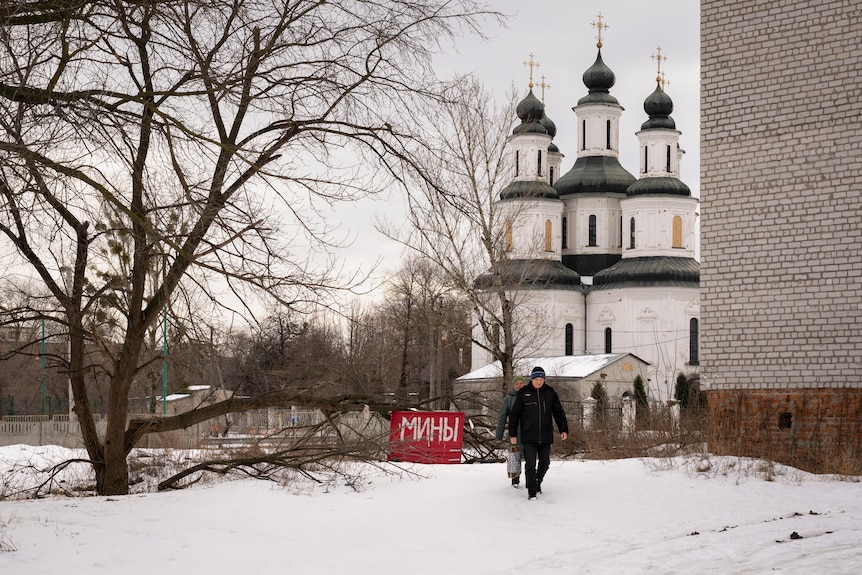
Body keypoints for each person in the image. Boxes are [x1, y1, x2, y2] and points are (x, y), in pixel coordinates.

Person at [508, 366, 569, 500]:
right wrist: (513, 434)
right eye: (536, 379)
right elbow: (514, 415)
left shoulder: (550, 393)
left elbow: (558, 412)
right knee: (530, 464)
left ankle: (537, 482)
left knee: (545, 462)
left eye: (541, 379)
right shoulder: (524, 393)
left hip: (546, 435)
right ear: (532, 379)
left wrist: (563, 429)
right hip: (528, 435)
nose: (539, 382)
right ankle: (532, 491)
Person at [495, 376, 527, 487]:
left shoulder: (529, 396)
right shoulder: (509, 398)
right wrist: (499, 433)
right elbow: (502, 416)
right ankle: (515, 480)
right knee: (515, 456)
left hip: (528, 432)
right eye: (517, 383)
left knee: (530, 457)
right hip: (515, 433)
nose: (519, 385)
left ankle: (531, 480)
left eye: (521, 383)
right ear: (513, 385)